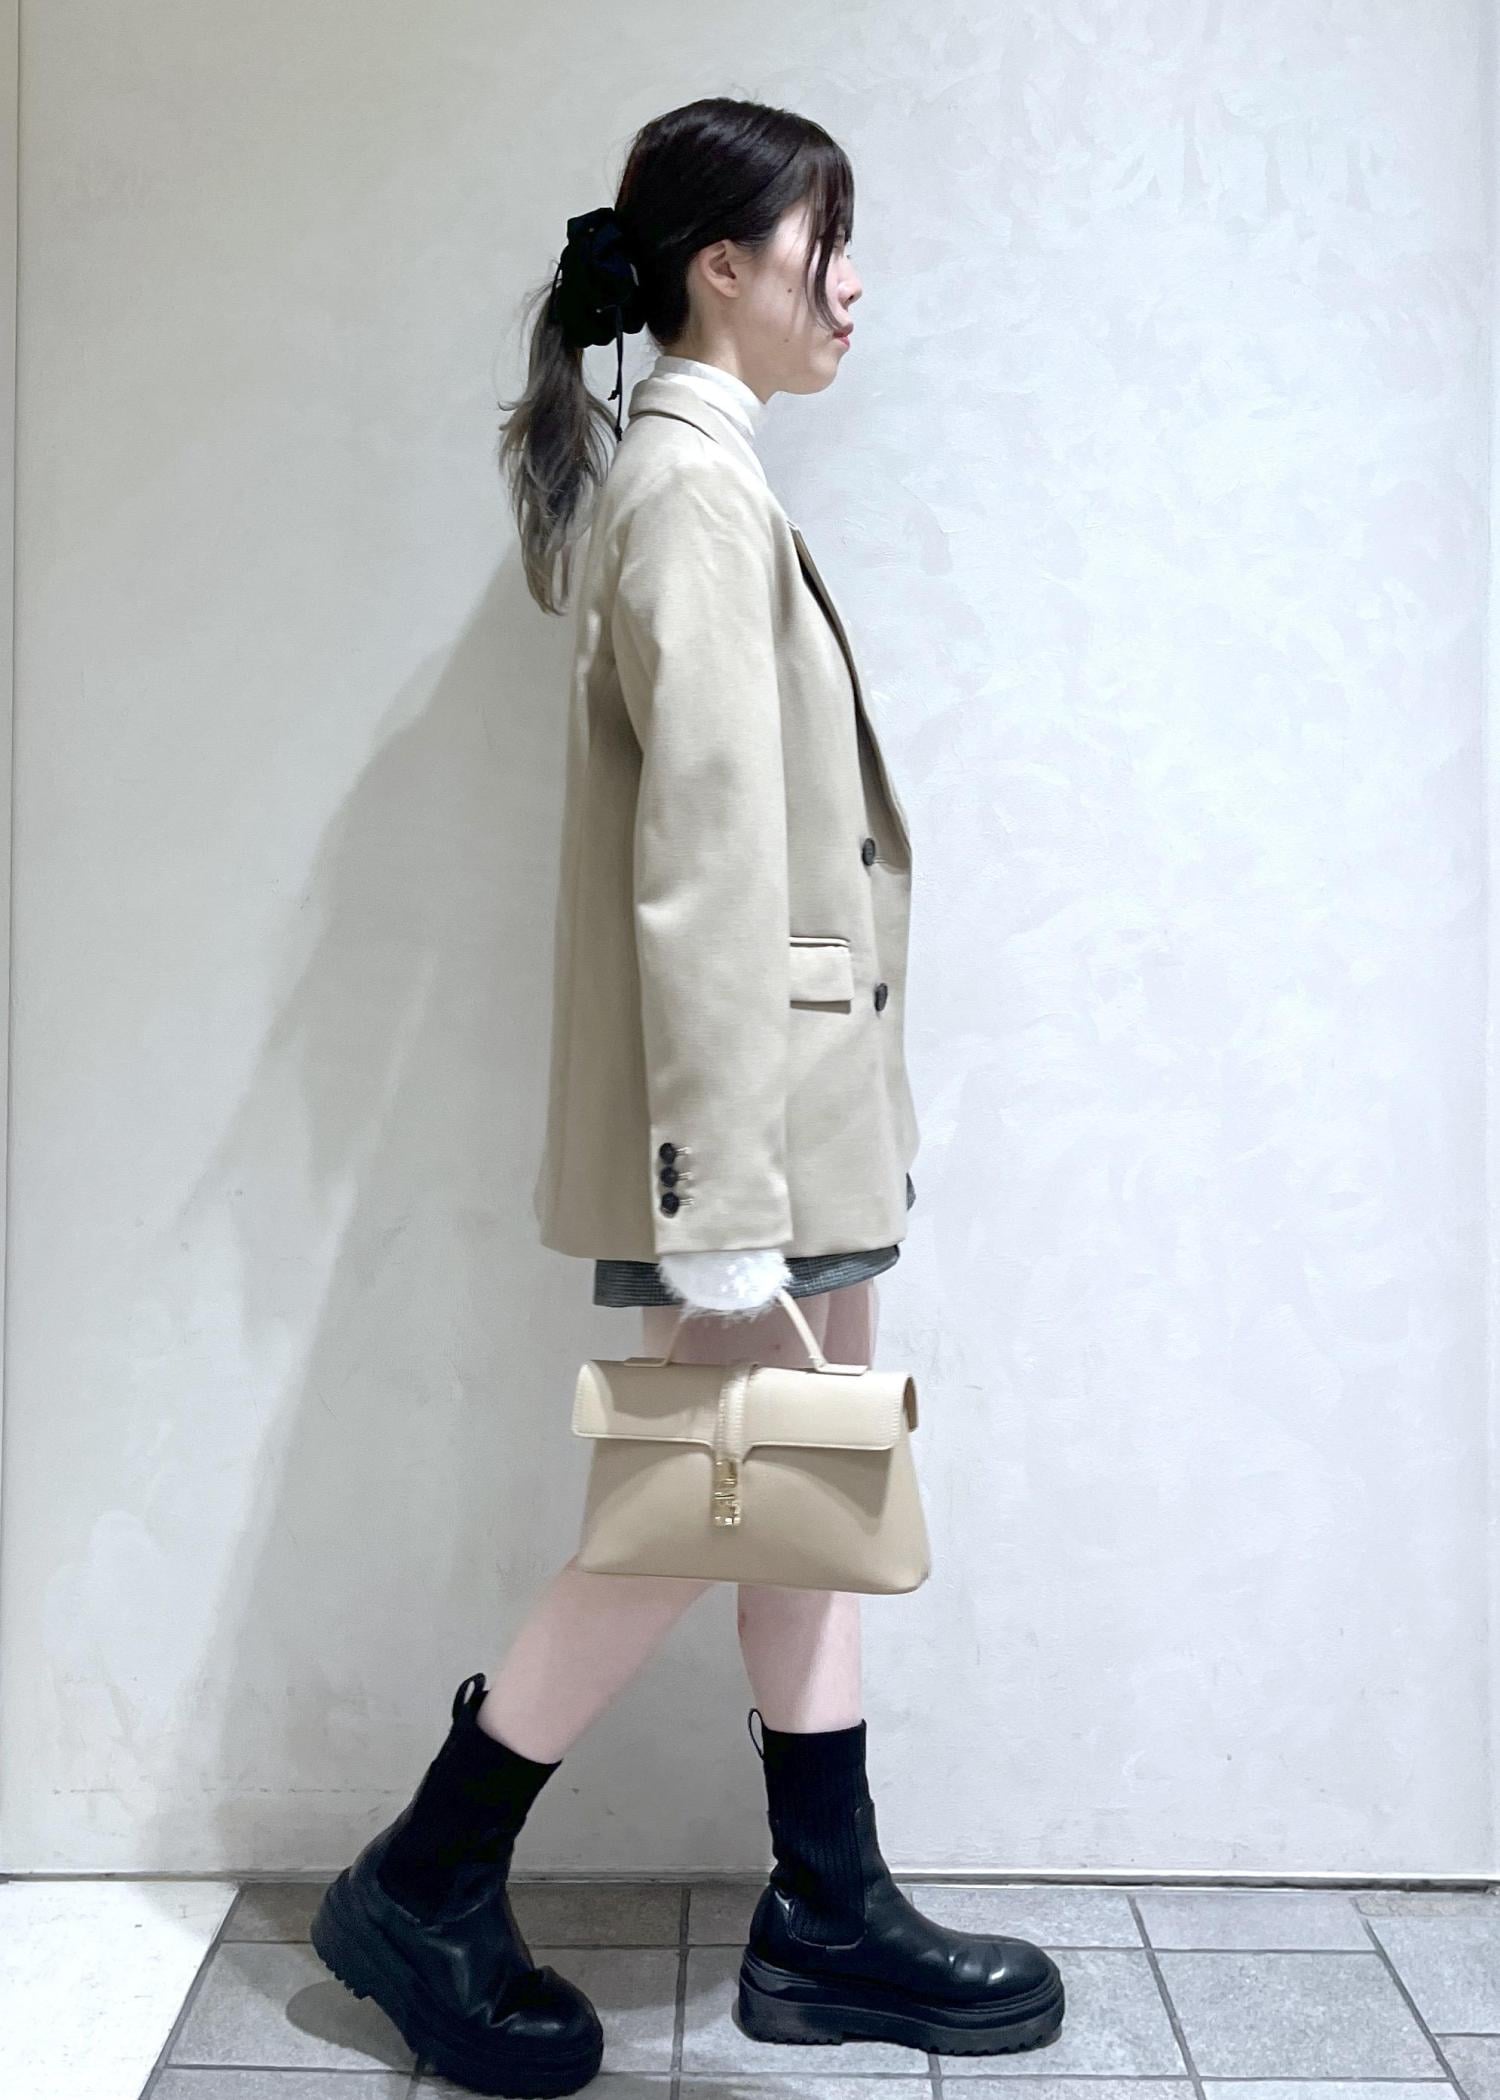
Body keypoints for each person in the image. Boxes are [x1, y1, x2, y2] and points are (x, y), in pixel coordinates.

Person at [311, 94, 1065, 2099]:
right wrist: (725, 1190)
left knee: (798, 1487)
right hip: (751, 1132)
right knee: (693, 1500)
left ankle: (828, 1908)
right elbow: (709, 860)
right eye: (828, 244)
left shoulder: (693, 475)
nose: (854, 285)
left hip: (794, 1110)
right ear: (725, 268)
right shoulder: (693, 493)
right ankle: (425, 1876)